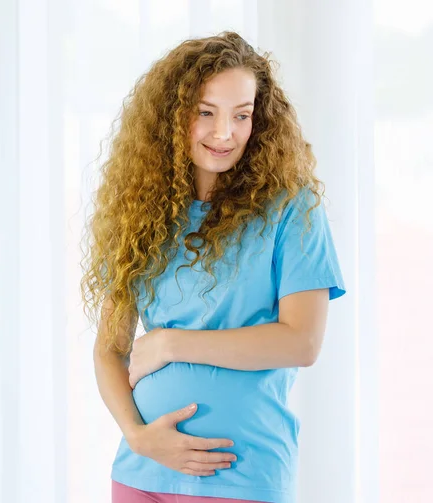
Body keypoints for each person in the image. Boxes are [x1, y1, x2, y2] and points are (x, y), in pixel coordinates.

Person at [80, 31, 346, 503]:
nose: (225, 133)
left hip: (241, 475)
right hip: (142, 473)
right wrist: (139, 437)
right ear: (171, 117)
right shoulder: (143, 212)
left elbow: (302, 342)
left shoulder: (292, 209)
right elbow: (109, 350)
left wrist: (168, 343)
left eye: (241, 115)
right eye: (206, 112)